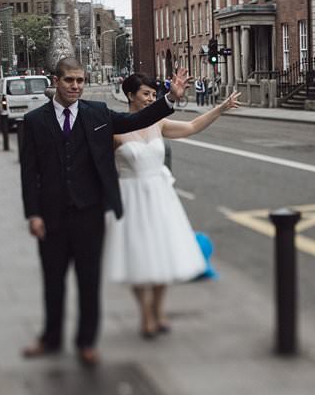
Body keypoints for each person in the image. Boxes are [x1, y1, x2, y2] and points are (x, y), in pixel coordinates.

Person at [19, 57, 189, 366]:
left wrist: (169, 99)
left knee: (89, 282)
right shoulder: (34, 122)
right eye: (69, 80)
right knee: (53, 281)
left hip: (89, 213)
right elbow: (29, 173)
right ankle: (51, 338)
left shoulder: (97, 114)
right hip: (52, 215)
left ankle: (86, 342)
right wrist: (33, 214)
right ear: (56, 81)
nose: (75, 86)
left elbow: (136, 121)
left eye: (80, 81)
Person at [102, 73, 240, 339]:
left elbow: (192, 127)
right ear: (130, 95)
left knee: (161, 253)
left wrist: (220, 109)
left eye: (154, 95)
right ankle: (145, 314)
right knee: (138, 257)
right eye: (145, 94)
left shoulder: (159, 124)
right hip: (131, 197)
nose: (150, 99)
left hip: (160, 196)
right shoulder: (115, 129)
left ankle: (158, 310)